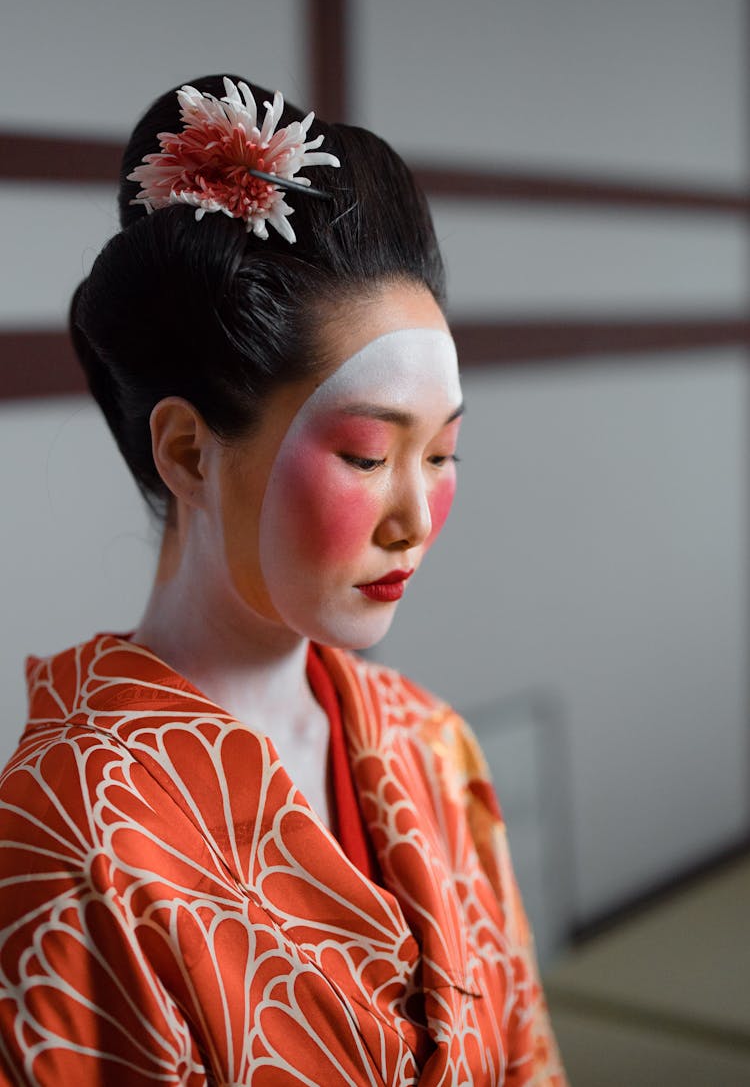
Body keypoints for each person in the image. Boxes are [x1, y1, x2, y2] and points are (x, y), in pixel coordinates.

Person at [0, 75, 567, 1085]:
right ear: (186, 452)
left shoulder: (433, 745)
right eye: (363, 456)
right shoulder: (72, 837)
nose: (413, 518)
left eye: (441, 456)